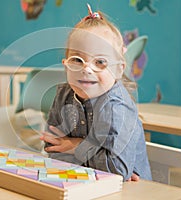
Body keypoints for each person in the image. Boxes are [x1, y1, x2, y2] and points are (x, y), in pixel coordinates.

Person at [40, 4, 152, 181]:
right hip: (80, 183)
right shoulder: (63, 95)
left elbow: (116, 170)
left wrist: (75, 147)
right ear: (65, 64)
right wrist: (94, 158)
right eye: (77, 60)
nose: (87, 69)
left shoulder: (116, 106)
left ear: (118, 69)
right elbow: (53, 148)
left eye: (100, 62)